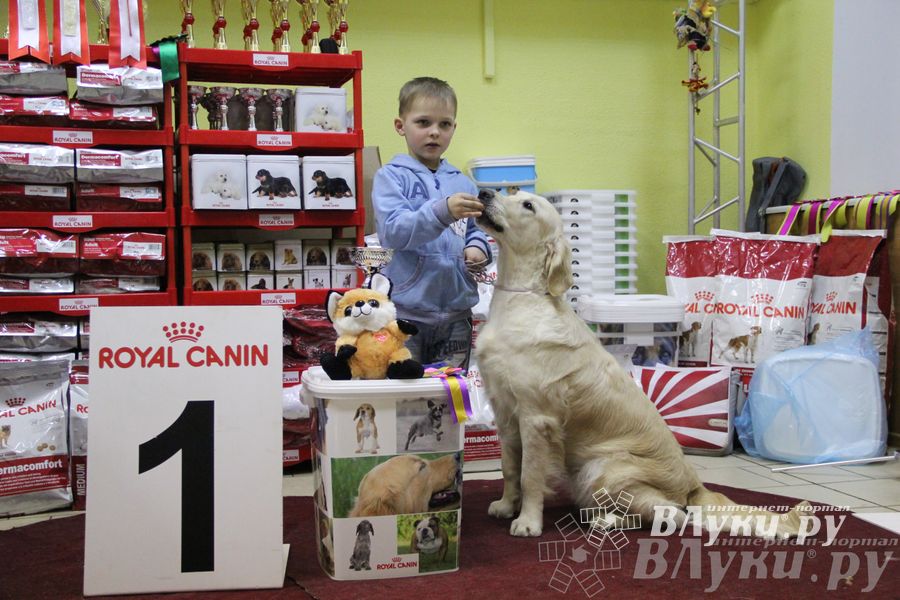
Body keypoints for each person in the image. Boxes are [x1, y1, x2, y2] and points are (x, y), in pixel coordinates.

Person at [372, 76, 491, 370]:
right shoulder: (391, 177)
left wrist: (478, 250)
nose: (434, 132)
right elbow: (393, 233)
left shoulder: (463, 182)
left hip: (457, 315)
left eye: (444, 124)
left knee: (451, 401)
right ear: (401, 126)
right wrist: (442, 212)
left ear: (454, 128)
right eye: (423, 123)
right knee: (406, 400)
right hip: (405, 314)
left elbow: (477, 231)